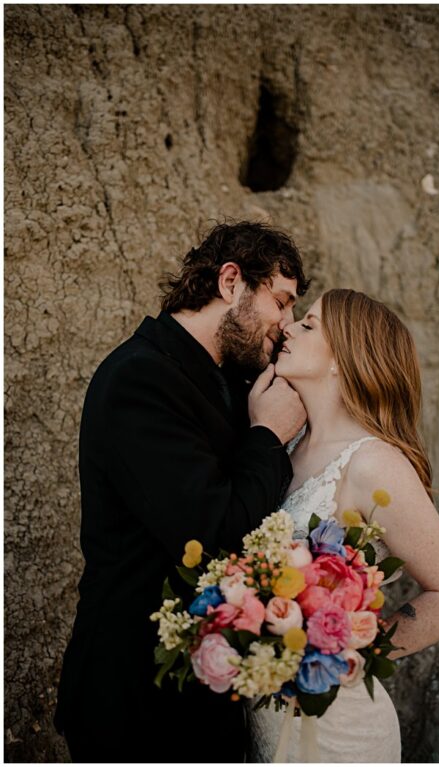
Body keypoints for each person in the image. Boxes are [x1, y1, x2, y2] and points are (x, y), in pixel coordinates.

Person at [54, 221, 310, 761]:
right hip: (133, 706)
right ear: (231, 280)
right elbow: (213, 533)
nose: (286, 325)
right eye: (281, 302)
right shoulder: (139, 379)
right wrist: (267, 436)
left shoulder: (230, 381)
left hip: (203, 698)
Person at [249, 288, 439, 762]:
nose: (289, 328)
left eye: (309, 325)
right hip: (263, 711)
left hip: (338, 725)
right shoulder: (286, 447)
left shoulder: (374, 463)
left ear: (344, 360)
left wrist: (347, 652)